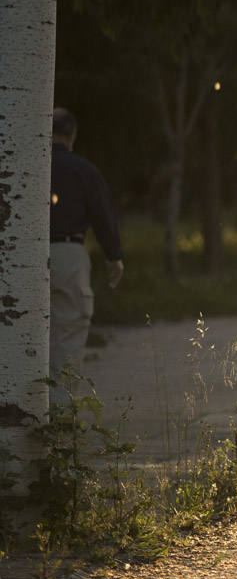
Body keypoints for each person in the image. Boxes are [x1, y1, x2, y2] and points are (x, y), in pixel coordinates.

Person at [48, 108, 125, 395]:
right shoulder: (83, 170)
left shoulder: (21, 165)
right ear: (73, 136)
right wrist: (113, 256)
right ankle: (59, 417)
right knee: (67, 334)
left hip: (19, 255)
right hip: (68, 253)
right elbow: (102, 214)